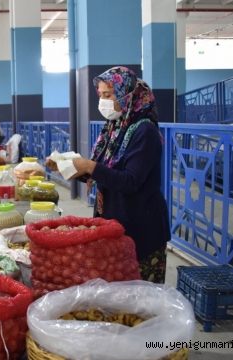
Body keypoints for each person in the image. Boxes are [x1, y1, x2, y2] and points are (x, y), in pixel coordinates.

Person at [68, 66, 169, 283]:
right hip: (115, 223)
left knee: (140, 304)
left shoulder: (145, 131)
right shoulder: (114, 127)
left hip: (140, 229)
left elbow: (130, 180)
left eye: (108, 95)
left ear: (127, 95)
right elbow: (106, 171)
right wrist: (73, 169)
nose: (102, 102)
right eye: (100, 95)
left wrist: (90, 167)